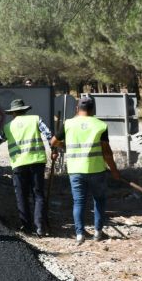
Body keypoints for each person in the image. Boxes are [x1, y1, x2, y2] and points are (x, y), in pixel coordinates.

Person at [50, 95, 121, 244]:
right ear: (93, 109)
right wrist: (114, 170)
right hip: (96, 169)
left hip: (75, 170)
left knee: (78, 202)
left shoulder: (68, 124)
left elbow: (54, 141)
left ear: (77, 108)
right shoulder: (100, 125)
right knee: (99, 200)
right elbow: (107, 152)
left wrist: (63, 147)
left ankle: (80, 235)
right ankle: (97, 232)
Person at [0, 99, 55, 237]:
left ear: (12, 113)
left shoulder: (8, 126)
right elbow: (48, 135)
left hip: (18, 164)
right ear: (25, 110)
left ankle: (26, 226)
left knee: (21, 196)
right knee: (38, 194)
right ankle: (40, 227)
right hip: (37, 162)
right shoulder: (35, 119)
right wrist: (53, 150)